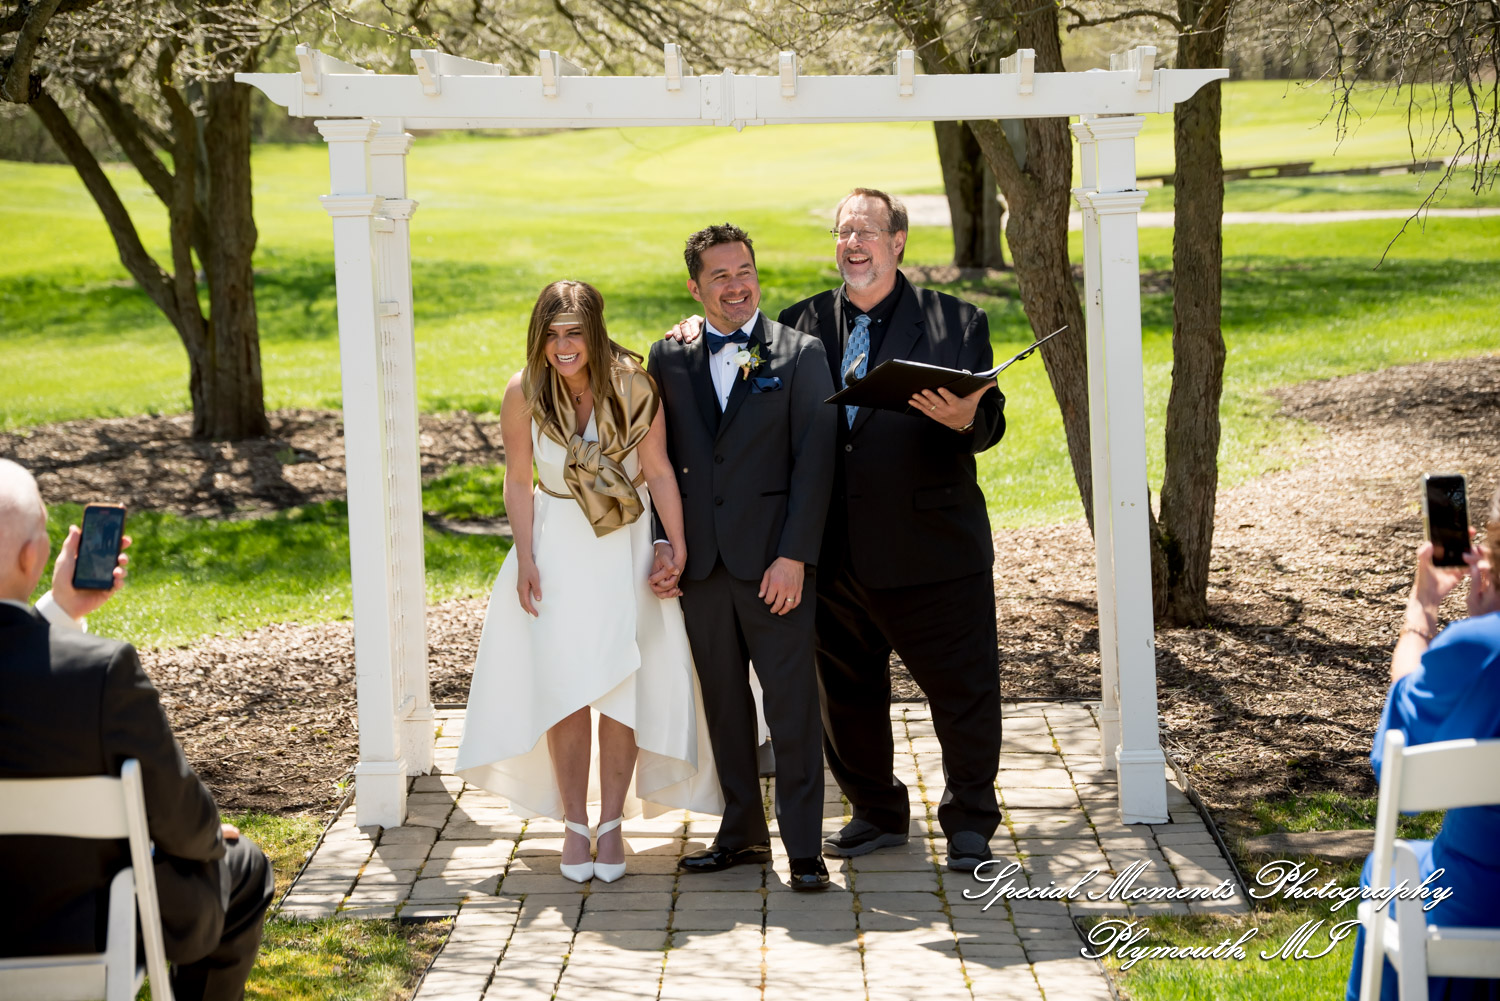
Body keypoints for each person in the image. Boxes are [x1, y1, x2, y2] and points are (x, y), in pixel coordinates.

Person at [455, 280, 720, 884]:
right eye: (551, 334)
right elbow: (518, 480)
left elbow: (656, 472)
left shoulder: (633, 386)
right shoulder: (524, 392)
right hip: (555, 547)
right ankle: (573, 822)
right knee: (565, 688)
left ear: (595, 332)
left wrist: (674, 547)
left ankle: (612, 823)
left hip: (623, 547)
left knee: (622, 686)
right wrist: (525, 558)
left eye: (574, 332)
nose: (562, 346)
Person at [0, 459, 275, 1001]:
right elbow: (188, 823)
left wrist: (59, 611)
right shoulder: (101, 673)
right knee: (240, 865)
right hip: (90, 926)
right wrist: (191, 837)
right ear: (33, 555)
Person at [646, 223, 837, 890]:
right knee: (724, 706)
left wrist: (795, 557)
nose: (736, 284)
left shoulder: (795, 354)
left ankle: (805, 847)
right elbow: (657, 459)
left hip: (772, 567)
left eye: (745, 270)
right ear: (695, 287)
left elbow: (816, 464)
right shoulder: (671, 356)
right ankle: (742, 833)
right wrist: (662, 542)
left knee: (791, 707)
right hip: (701, 568)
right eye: (720, 275)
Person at [1345, 481, 1500, 1001]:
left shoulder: (1483, 648)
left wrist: (1423, 607)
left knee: (1388, 870)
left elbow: (1397, 762)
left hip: (1481, 900)